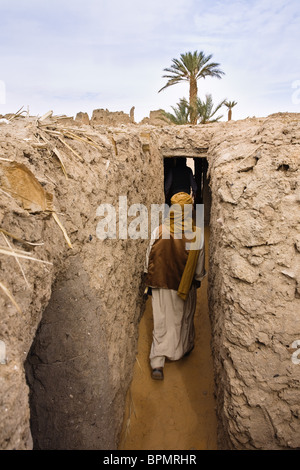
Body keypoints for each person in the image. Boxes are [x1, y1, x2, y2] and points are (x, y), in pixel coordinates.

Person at [144, 192, 206, 380]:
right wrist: (196, 279)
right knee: (182, 318)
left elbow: (148, 259)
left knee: (162, 321)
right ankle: (182, 349)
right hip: (184, 285)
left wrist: (151, 279)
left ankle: (157, 363)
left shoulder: (159, 231)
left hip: (161, 283)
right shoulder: (197, 234)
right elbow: (198, 269)